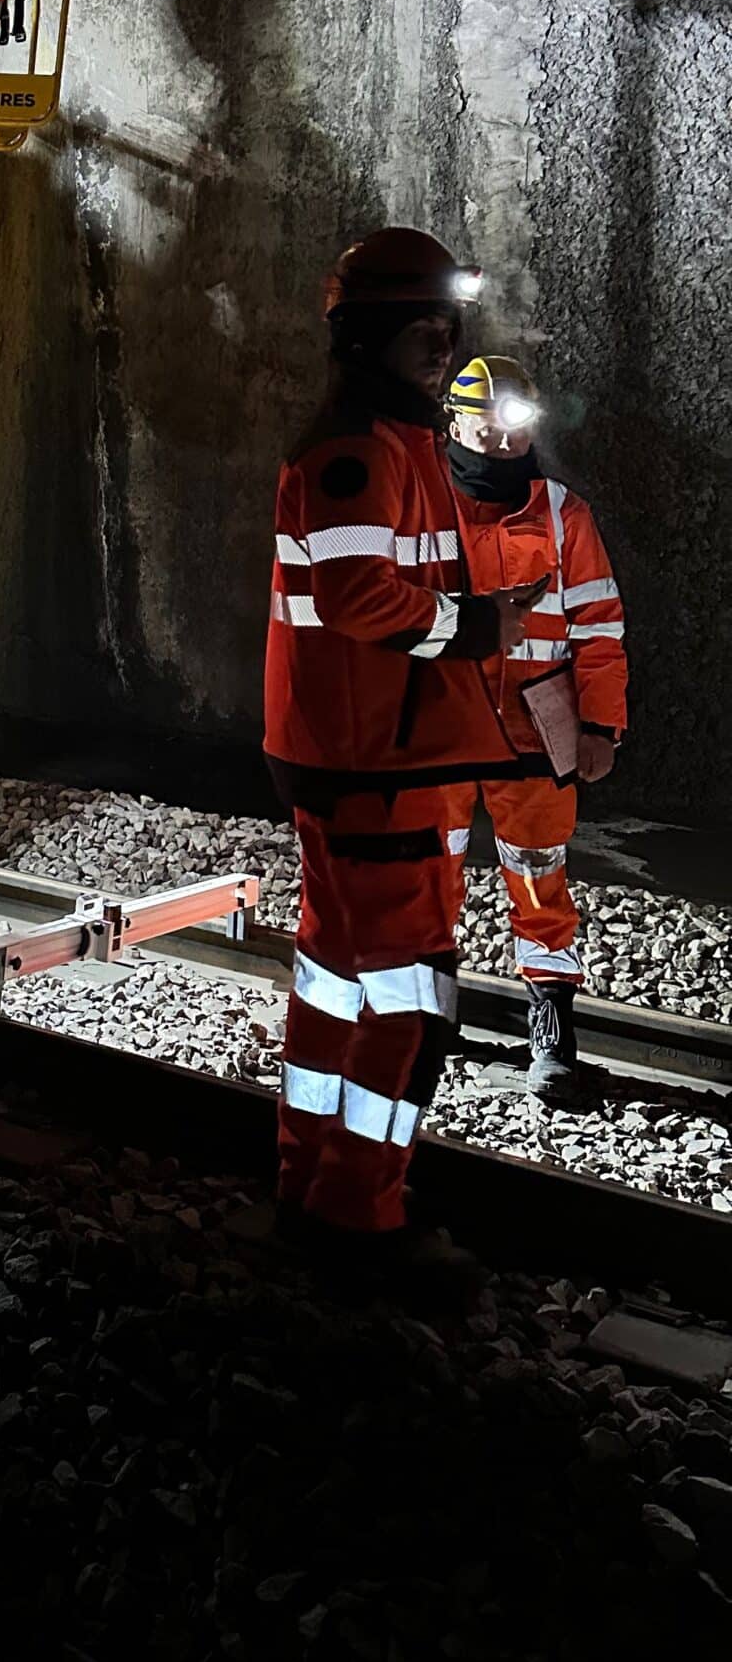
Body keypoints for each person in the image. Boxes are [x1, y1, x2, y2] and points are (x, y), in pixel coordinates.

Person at [264, 229, 547, 1260]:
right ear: (369, 335)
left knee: (337, 982)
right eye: (424, 327)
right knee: (413, 1003)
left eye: (448, 326)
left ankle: (308, 1189)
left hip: (373, 761)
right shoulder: (355, 455)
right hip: (373, 764)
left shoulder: (397, 443)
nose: (443, 346)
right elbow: (357, 595)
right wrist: (476, 626)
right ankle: (361, 1217)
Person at [445, 354, 627, 1105]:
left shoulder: (561, 513)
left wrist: (603, 728)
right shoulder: (421, 503)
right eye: (484, 428)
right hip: (442, 732)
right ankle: (428, 1011)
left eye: (513, 427)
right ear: (452, 422)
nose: (499, 442)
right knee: (429, 874)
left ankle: (551, 1024)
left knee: (539, 873)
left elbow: (599, 627)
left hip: (534, 730)